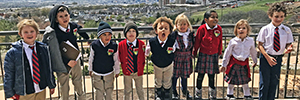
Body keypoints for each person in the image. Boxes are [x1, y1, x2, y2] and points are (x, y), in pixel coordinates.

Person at [42, 5, 89, 100]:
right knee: (64, 86)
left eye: (66, 15)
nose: (65, 18)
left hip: (75, 59)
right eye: (61, 16)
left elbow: (79, 28)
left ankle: (81, 98)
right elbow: (55, 51)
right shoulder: (54, 33)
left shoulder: (72, 26)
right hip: (62, 62)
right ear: (55, 19)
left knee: (78, 81)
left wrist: (87, 38)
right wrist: (66, 61)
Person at [4, 19, 56, 100]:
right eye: (26, 32)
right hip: (25, 91)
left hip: (41, 89)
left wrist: (51, 84)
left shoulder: (43, 49)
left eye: (32, 31)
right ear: (20, 34)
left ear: (37, 32)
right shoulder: (13, 52)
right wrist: (9, 92)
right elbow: (9, 73)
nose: (29, 34)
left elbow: (48, 68)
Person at [257, 2, 293, 100]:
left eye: (281, 16)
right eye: (276, 16)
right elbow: (260, 45)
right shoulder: (265, 29)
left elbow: (288, 43)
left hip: (278, 59)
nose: (279, 19)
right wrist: (268, 58)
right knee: (264, 83)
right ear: (270, 16)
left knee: (274, 83)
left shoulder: (286, 30)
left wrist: (289, 47)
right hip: (266, 57)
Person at [219, 19, 257, 100]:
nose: (241, 30)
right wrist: (224, 64)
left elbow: (253, 51)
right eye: (239, 28)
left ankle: (247, 95)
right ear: (236, 30)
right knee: (231, 81)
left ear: (247, 30)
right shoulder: (233, 41)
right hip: (234, 63)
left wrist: (255, 60)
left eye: (243, 28)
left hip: (244, 63)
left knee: (245, 82)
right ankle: (229, 95)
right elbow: (227, 53)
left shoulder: (250, 41)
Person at [193, 10, 222, 100]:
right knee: (200, 76)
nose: (215, 19)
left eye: (216, 17)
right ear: (206, 19)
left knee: (211, 76)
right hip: (203, 55)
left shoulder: (219, 29)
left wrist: (219, 52)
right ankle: (198, 94)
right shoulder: (201, 29)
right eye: (212, 17)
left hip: (213, 55)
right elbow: (197, 41)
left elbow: (220, 41)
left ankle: (212, 95)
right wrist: (194, 52)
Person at [145, 16, 176, 100]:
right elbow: (147, 50)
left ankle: (166, 93)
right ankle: (158, 93)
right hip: (157, 64)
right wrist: (146, 54)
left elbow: (175, 49)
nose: (163, 30)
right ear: (156, 31)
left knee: (167, 80)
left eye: (166, 28)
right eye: (161, 28)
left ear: (169, 31)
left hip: (168, 64)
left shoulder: (172, 41)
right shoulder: (152, 41)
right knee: (158, 80)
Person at [88, 21, 120, 100]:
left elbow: (116, 59)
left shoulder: (114, 45)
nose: (107, 37)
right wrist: (90, 69)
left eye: (109, 34)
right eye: (104, 35)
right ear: (99, 36)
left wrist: (117, 70)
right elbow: (91, 57)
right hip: (97, 72)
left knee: (109, 91)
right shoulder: (95, 45)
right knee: (99, 91)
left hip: (109, 72)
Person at [119, 22, 146, 100]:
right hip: (127, 72)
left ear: (136, 33)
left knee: (140, 90)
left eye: (133, 31)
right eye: (129, 31)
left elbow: (143, 56)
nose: (131, 33)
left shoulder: (141, 44)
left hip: (138, 72)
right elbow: (119, 57)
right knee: (127, 90)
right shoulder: (121, 45)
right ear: (125, 34)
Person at [170, 14, 194, 100]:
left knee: (184, 75)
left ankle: (184, 90)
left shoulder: (190, 35)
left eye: (184, 24)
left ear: (188, 25)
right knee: (175, 75)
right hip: (177, 56)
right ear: (176, 25)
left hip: (187, 56)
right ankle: (173, 91)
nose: (182, 26)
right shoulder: (174, 35)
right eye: (180, 24)